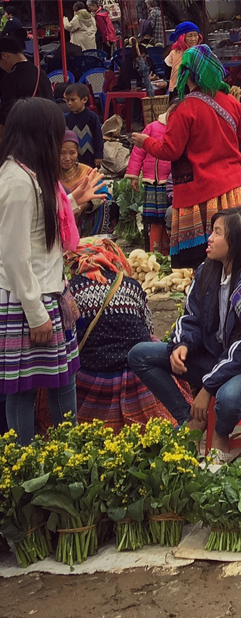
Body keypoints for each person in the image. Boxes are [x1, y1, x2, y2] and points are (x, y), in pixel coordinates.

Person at [0, 98, 104, 445]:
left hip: (49, 292)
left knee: (63, 379)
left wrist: (74, 201)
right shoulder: (16, 182)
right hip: (29, 300)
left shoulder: (33, 174)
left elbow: (39, 229)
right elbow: (14, 256)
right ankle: (24, 467)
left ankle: (66, 457)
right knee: (23, 388)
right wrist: (36, 313)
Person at [129, 208, 241, 461]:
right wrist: (182, 344)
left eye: (217, 233)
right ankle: (191, 420)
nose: (209, 238)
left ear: (237, 242)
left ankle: (221, 436)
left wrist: (207, 388)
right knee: (140, 355)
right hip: (211, 357)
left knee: (227, 399)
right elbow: (191, 315)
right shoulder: (207, 270)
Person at [131, 45, 241, 268]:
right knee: (236, 254)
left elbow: (170, 151)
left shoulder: (184, 109)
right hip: (234, 188)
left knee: (203, 262)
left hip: (201, 192)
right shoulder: (231, 102)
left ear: (186, 73)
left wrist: (145, 142)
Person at [66, 238, 177, 431]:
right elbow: (148, 328)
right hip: (137, 372)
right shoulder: (131, 285)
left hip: (92, 373)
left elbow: (70, 336)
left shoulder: (71, 289)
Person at [126, 107, 172, 255]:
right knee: (153, 220)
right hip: (151, 182)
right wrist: (133, 175)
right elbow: (138, 152)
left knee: (168, 219)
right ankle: (154, 252)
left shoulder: (178, 128)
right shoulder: (152, 127)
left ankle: (167, 252)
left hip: (170, 183)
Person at [61, 131, 112, 236]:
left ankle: (93, 238)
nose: (67, 158)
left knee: (106, 205)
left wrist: (85, 205)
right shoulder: (48, 174)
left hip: (84, 218)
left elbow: (105, 195)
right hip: (59, 217)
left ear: (77, 152)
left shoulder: (86, 171)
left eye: (72, 153)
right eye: (62, 153)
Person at [0, 38, 52, 132]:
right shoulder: (41, 73)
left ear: (4, 56)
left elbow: (6, 114)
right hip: (46, 128)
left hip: (23, 133)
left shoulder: (11, 78)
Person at [62, 83, 103, 169]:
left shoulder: (92, 117)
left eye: (73, 100)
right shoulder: (66, 119)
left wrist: (98, 155)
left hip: (89, 157)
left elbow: (98, 137)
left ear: (84, 100)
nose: (69, 103)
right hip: (72, 158)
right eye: (67, 100)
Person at [165, 21, 201, 93]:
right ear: (182, 37)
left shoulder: (202, 52)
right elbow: (168, 74)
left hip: (200, 90)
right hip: (179, 91)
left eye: (195, 35)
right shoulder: (174, 54)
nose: (193, 39)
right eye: (189, 36)